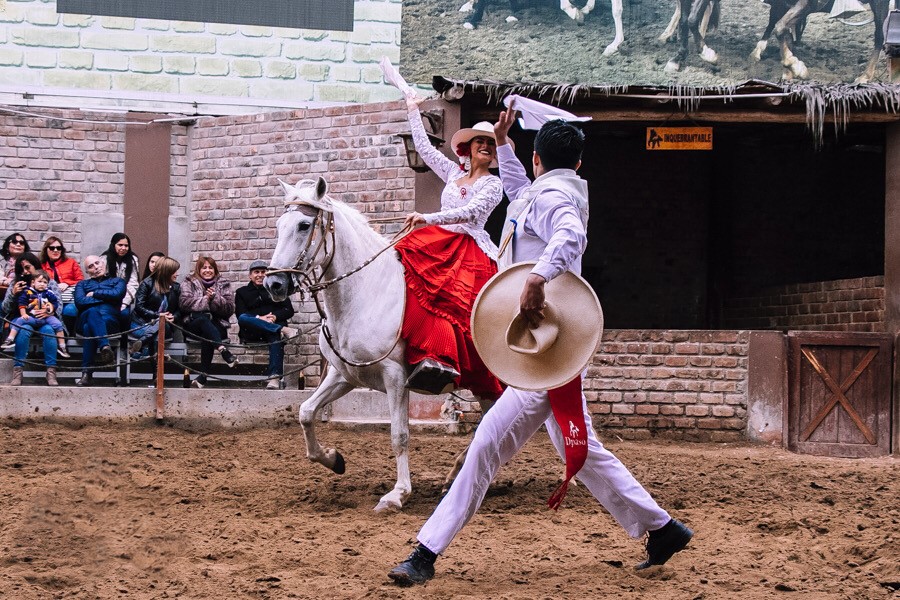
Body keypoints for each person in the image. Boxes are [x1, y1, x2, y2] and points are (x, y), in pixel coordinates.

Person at [388, 113, 693, 586]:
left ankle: (426, 552)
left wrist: (536, 277)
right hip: (548, 345)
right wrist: (506, 144)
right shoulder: (547, 189)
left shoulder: (552, 197)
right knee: (582, 449)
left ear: (538, 159)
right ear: (578, 160)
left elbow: (570, 236)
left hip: (545, 347)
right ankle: (663, 528)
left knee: (487, 443)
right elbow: (518, 188)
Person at [393, 95, 506, 400]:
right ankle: (428, 356)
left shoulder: (494, 184)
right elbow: (425, 149)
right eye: (480, 141)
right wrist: (413, 109)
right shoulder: (455, 173)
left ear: (495, 153)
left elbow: (470, 213)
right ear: (468, 147)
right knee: (406, 272)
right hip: (440, 242)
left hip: (470, 249)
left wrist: (426, 218)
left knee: (462, 311)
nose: (485, 145)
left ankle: (456, 365)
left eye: (492, 143)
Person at [235, 259, 297, 390]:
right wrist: (260, 318)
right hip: (252, 331)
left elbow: (288, 310)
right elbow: (240, 314)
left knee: (275, 337)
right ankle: (283, 329)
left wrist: (274, 317)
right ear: (250, 276)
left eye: (263, 272)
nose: (260, 275)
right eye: (256, 272)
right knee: (243, 318)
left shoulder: (276, 289)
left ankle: (274, 378)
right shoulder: (242, 292)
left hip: (271, 331)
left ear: (268, 274)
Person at [2, 254, 60, 386]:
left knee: (49, 330)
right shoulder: (16, 283)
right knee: (24, 330)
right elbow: (5, 308)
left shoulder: (49, 282)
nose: (25, 272)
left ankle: (51, 372)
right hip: (23, 320)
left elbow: (59, 306)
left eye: (28, 267)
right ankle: (18, 371)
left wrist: (49, 310)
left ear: (36, 265)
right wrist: (13, 294)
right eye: (21, 269)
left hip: (45, 320)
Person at [180, 256, 237, 389]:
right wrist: (206, 299)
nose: (207, 270)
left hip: (217, 325)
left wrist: (215, 298)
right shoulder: (188, 282)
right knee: (202, 321)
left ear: (215, 270)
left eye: (210, 267)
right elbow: (184, 304)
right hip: (193, 325)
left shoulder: (224, 283)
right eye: (204, 267)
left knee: (208, 332)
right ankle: (223, 351)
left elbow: (229, 309)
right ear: (198, 270)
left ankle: (203, 377)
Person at [74, 255, 126, 386]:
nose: (96, 267)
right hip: (86, 316)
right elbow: (80, 301)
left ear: (103, 263)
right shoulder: (82, 284)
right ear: (87, 272)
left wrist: (94, 294)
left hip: (110, 321)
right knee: (92, 312)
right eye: (91, 266)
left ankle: (87, 374)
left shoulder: (118, 281)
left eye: (97, 263)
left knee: (88, 327)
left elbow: (118, 294)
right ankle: (104, 346)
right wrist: (107, 297)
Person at [2, 270, 69, 359]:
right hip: (32, 316)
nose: (42, 284)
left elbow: (55, 303)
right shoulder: (28, 292)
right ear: (33, 282)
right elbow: (22, 303)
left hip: (45, 317)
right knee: (19, 321)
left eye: (45, 282)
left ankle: (62, 346)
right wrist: (23, 314)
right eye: (40, 282)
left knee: (58, 325)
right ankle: (10, 339)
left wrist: (50, 308)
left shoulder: (49, 292)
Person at [130, 257, 181, 360]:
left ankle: (142, 344)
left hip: (165, 325)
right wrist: (158, 315)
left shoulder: (176, 287)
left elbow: (180, 309)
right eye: (174, 271)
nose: (177, 274)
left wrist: (174, 317)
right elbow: (139, 307)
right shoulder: (147, 284)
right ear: (166, 272)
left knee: (160, 326)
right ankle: (156, 373)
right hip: (141, 324)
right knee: (156, 335)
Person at [39, 236, 84, 322]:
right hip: (49, 300)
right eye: (52, 248)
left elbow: (81, 281)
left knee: (70, 310)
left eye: (58, 248)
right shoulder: (41, 266)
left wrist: (67, 283)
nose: (55, 250)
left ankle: (68, 335)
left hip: (68, 300)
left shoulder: (71, 262)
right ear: (46, 250)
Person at [101, 233, 140, 315]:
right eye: (120, 245)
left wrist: (124, 303)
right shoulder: (104, 259)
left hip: (124, 297)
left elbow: (133, 284)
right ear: (113, 245)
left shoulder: (132, 260)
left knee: (124, 315)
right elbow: (101, 282)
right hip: (107, 297)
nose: (123, 248)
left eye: (126, 246)